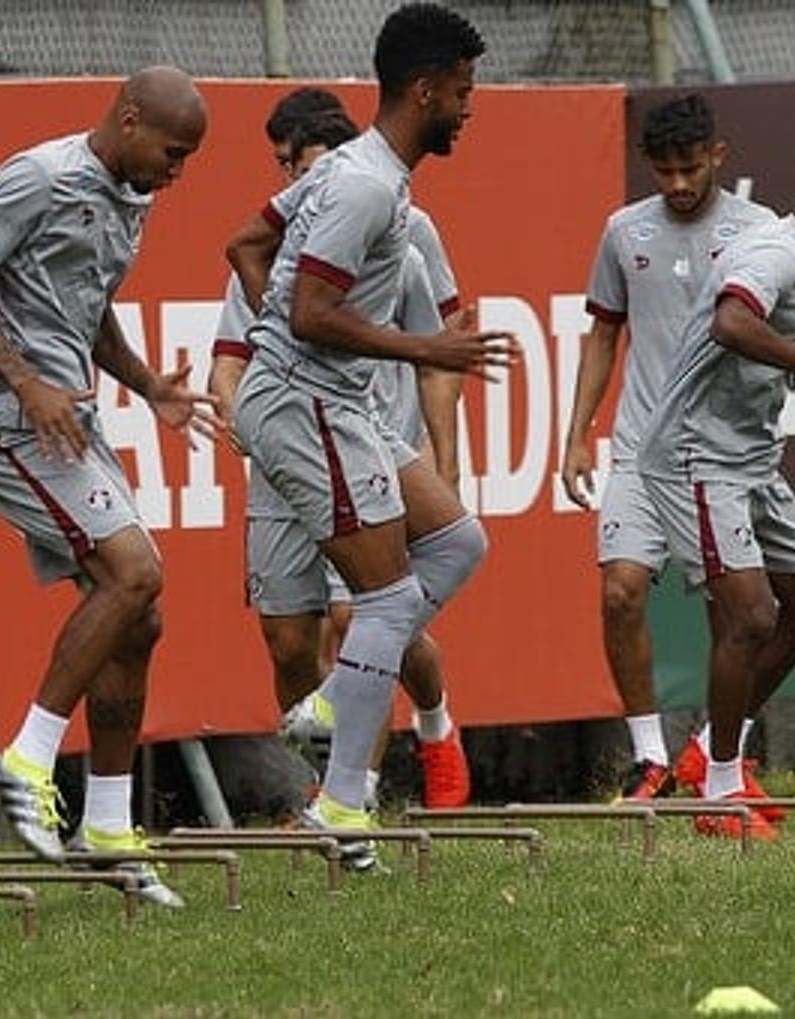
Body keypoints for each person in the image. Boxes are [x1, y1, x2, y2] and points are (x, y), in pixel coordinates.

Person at [228, 1, 505, 867]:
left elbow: (245, 241)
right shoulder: (362, 183)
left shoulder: (359, 168)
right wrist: (425, 344)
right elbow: (310, 313)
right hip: (307, 403)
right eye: (462, 93)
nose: (469, 109)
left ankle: (339, 703)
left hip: (335, 403)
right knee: (385, 604)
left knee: (459, 541)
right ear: (424, 91)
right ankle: (342, 803)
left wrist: (283, 321)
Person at [0, 66, 218, 907]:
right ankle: (27, 754)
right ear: (129, 121)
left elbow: (81, 300)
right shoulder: (45, 175)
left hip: (72, 420)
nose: (177, 172)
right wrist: (24, 382)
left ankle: (104, 824)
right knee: (136, 573)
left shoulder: (130, 194)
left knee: (142, 615)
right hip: (9, 420)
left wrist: (145, 382)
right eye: (172, 152)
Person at [212, 101, 474, 813]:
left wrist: (442, 457)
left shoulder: (403, 223)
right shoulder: (287, 238)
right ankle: (329, 781)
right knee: (289, 638)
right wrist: (240, 403)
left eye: (308, 163)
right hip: (284, 454)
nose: (299, 179)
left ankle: (375, 771)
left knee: (363, 617)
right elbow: (231, 355)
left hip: (365, 438)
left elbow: (437, 349)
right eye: (286, 168)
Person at [637, 139, 795, 840]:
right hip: (695, 455)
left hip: (747, 456)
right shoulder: (775, 252)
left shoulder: (793, 253)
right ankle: (719, 792)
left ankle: (708, 755)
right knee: (750, 616)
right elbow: (731, 321)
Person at [560, 94, 776, 802]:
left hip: (717, 455)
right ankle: (648, 756)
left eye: (690, 168)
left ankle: (719, 755)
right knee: (619, 591)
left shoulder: (758, 232)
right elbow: (603, 334)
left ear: (717, 155)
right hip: (641, 451)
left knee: (732, 609)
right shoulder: (624, 231)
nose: (678, 185)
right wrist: (577, 435)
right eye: (664, 172)